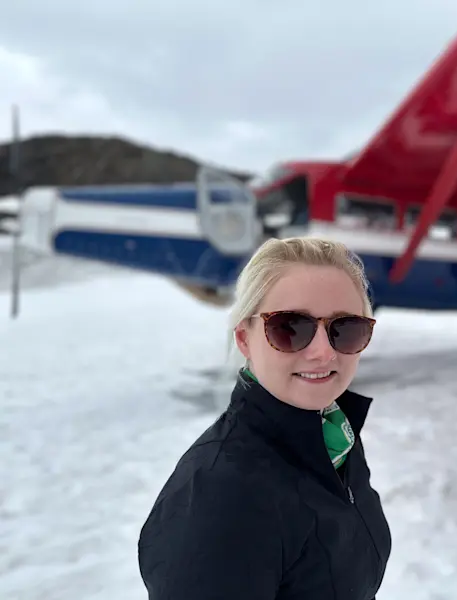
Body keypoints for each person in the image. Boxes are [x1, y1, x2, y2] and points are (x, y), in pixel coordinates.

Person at [137, 237, 392, 599]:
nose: (323, 352)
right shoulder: (222, 494)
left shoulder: (334, 435)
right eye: (290, 327)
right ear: (244, 338)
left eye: (345, 328)